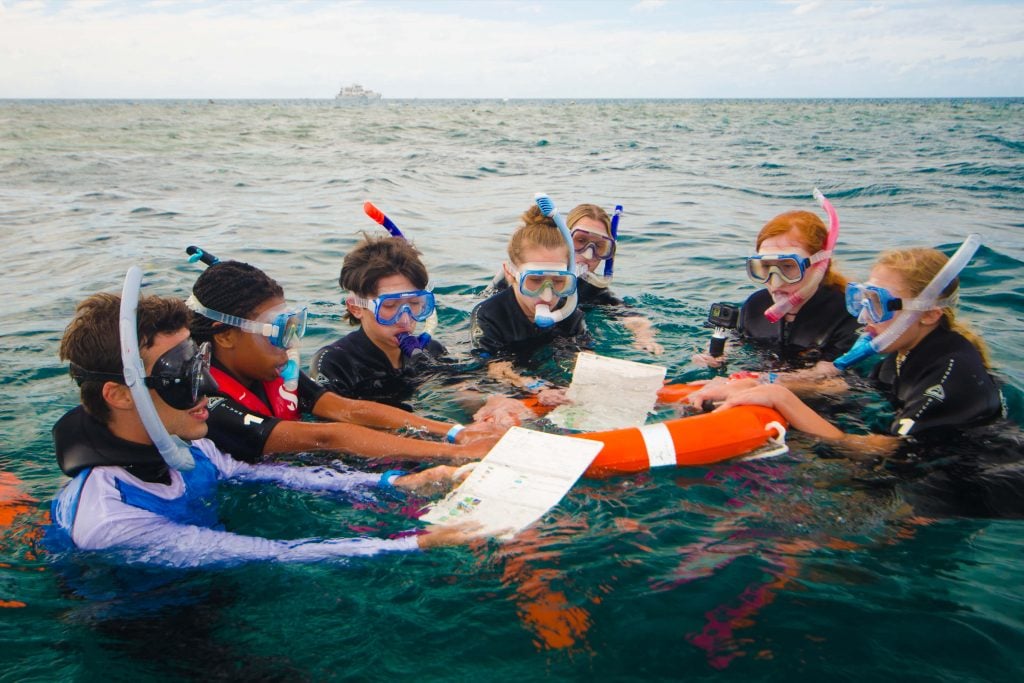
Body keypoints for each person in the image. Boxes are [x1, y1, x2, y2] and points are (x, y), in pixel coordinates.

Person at [49, 287, 477, 567]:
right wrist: (413, 542)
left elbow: (259, 473)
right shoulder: (112, 518)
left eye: (197, 361)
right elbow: (269, 553)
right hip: (149, 630)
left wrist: (399, 483)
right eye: (179, 372)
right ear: (120, 394)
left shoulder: (185, 448)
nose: (209, 385)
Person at [686, 243, 1004, 458]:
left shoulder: (948, 374)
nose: (863, 317)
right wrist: (763, 383)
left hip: (963, 481)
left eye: (877, 304)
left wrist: (781, 400)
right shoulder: (903, 351)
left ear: (930, 313)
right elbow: (848, 388)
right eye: (862, 300)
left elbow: (885, 451)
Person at [187, 259, 501, 465]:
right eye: (277, 332)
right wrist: (456, 454)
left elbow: (349, 409)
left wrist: (456, 432)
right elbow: (326, 436)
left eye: (293, 327)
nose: (290, 345)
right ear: (226, 336)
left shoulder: (274, 372)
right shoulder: (204, 401)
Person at [695, 208, 859, 369]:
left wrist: (764, 382)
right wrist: (719, 352)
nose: (776, 282)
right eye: (765, 267)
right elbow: (736, 342)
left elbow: (840, 382)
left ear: (820, 266)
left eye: (788, 266)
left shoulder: (847, 315)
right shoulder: (755, 305)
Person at [469, 203, 590, 404]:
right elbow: (493, 366)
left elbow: (586, 357)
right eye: (534, 281)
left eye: (559, 281)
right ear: (510, 274)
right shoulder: (488, 314)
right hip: (510, 380)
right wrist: (533, 386)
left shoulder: (570, 313)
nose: (548, 296)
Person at [311, 235, 448, 409]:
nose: (405, 320)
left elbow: (462, 390)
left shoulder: (430, 351)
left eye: (414, 303)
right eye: (389, 306)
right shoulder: (336, 364)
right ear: (356, 308)